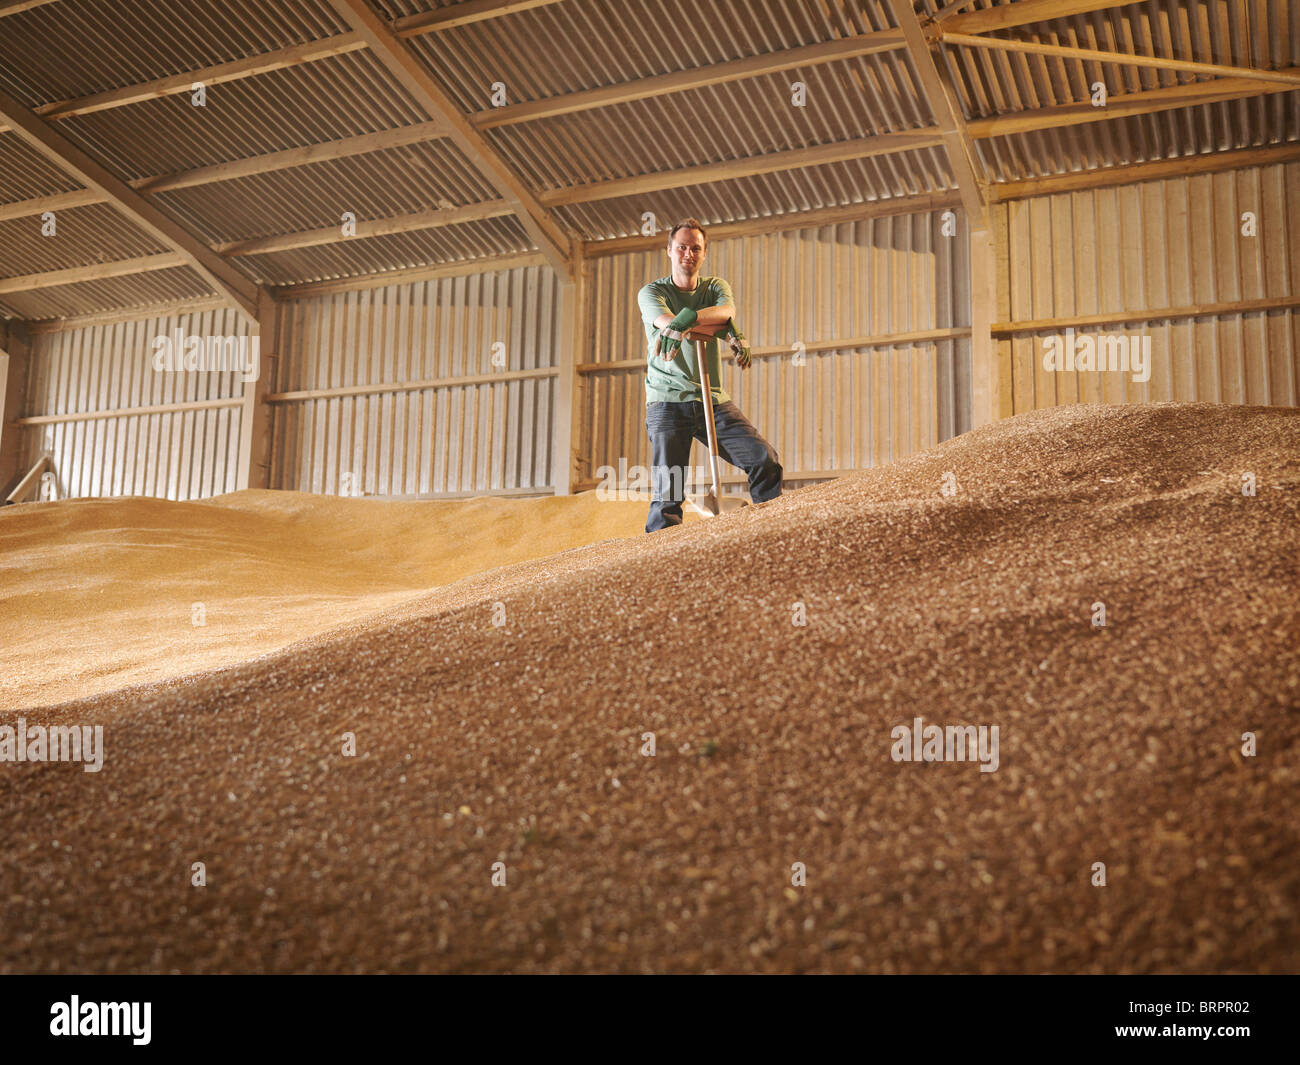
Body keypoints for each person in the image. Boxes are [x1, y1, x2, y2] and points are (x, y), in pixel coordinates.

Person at [636, 218, 783, 533]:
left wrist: (685, 321)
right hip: (666, 401)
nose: (688, 253)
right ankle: (657, 563)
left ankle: (773, 530)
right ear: (669, 251)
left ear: (703, 254)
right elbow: (663, 320)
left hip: (711, 399)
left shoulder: (715, 287)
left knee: (764, 459)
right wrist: (706, 325)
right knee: (668, 492)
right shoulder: (652, 292)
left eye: (695, 248)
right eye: (682, 247)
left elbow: (725, 312)